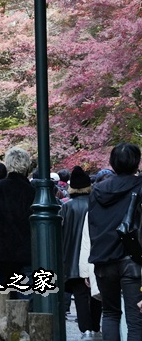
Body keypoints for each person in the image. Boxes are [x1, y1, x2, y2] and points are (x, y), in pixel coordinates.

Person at [88, 142, 142, 340]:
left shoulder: (97, 190)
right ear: (137, 162)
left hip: (103, 258)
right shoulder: (139, 186)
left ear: (112, 163)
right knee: (135, 319)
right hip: (133, 258)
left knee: (110, 313)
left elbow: (93, 224)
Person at [0, 147, 34, 292]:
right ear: (27, 165)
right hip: (26, 253)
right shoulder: (31, 191)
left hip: (2, 253)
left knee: (7, 294)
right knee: (27, 294)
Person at [61, 166, 101, 338]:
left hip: (72, 259)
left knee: (80, 296)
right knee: (95, 294)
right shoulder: (95, 204)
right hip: (93, 257)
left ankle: (85, 330)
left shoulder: (66, 207)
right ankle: (95, 327)